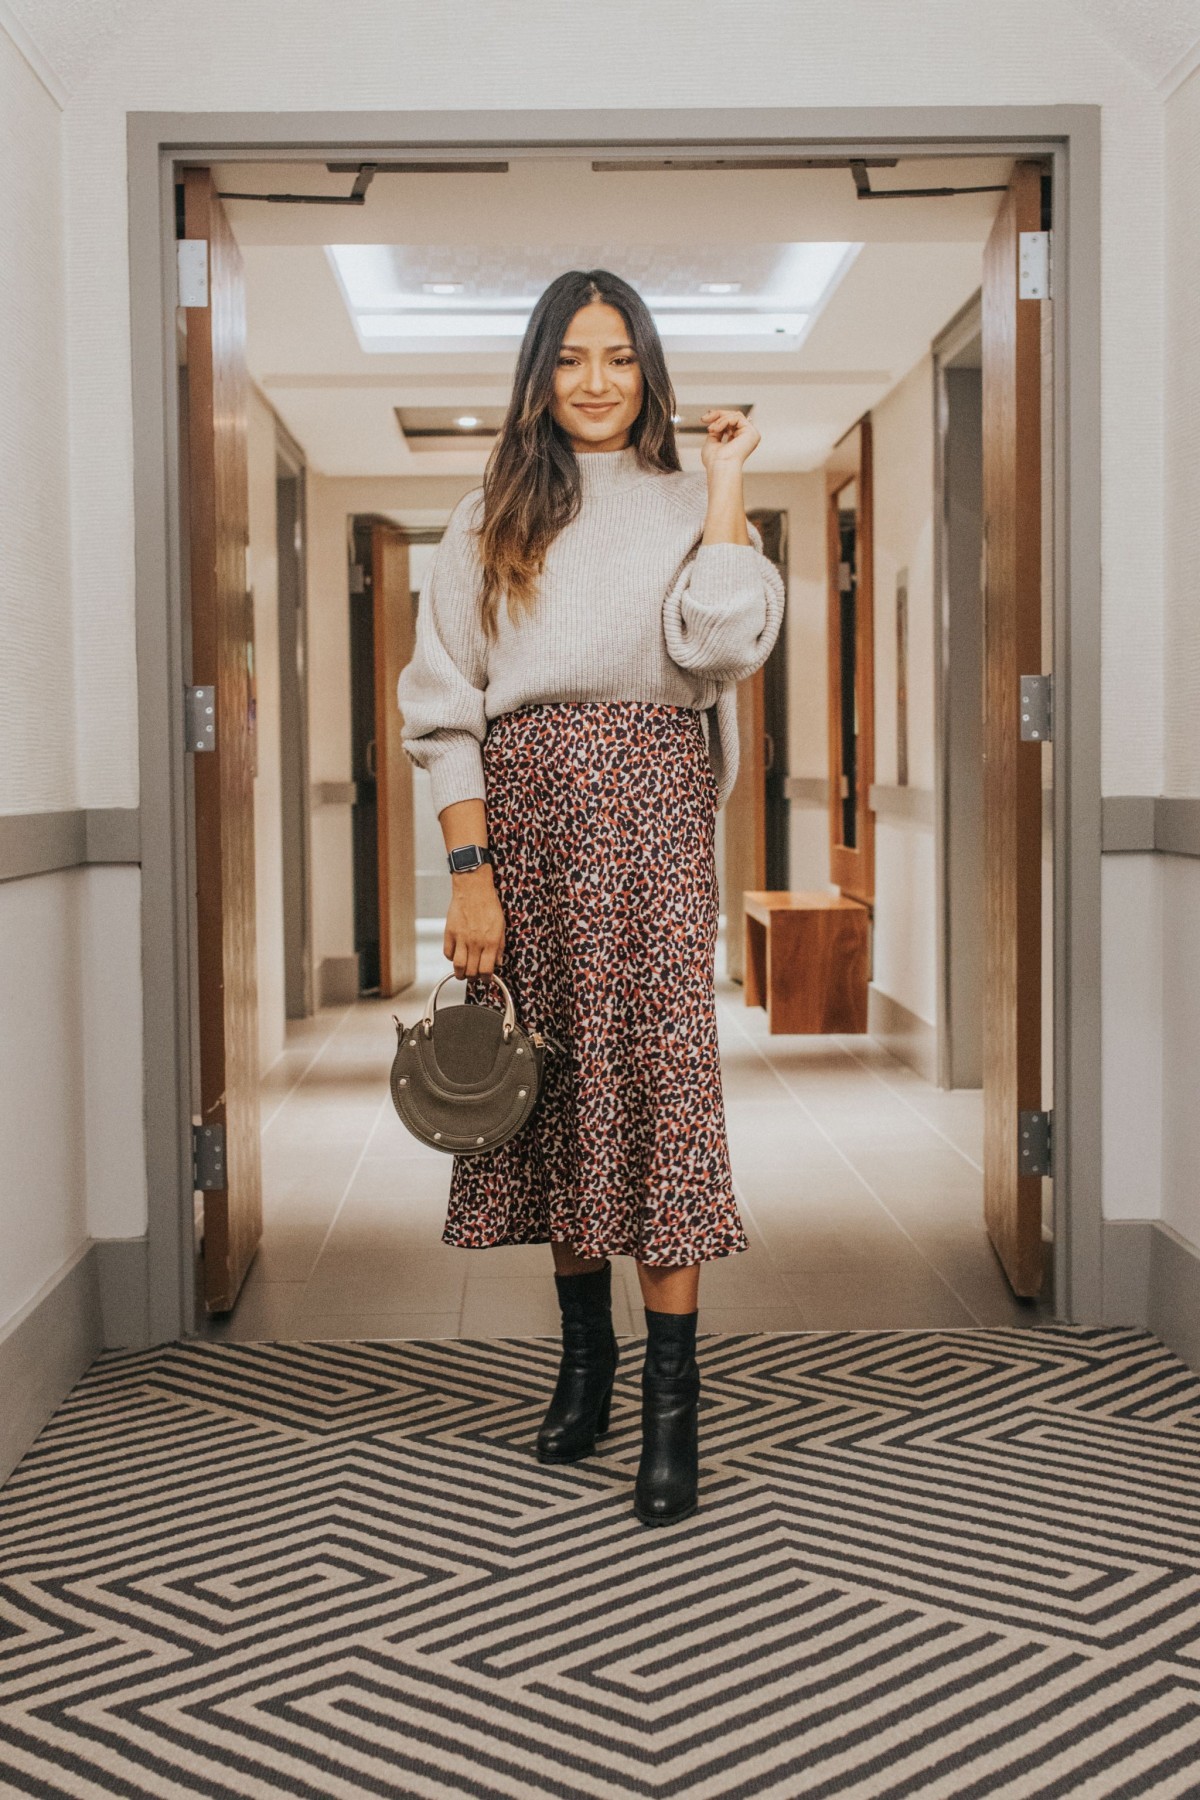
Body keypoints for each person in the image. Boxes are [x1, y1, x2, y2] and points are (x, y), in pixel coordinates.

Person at [396, 268, 785, 1525]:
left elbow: (722, 646)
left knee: (660, 1091)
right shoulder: (484, 518)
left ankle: (672, 1403)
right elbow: (442, 707)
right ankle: (586, 1360)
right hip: (527, 822)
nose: (597, 380)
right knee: (557, 1088)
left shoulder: (695, 505)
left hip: (658, 826)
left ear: (649, 367)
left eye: (619, 355)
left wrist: (723, 488)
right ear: (537, 376)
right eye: (571, 358)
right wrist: (471, 874)